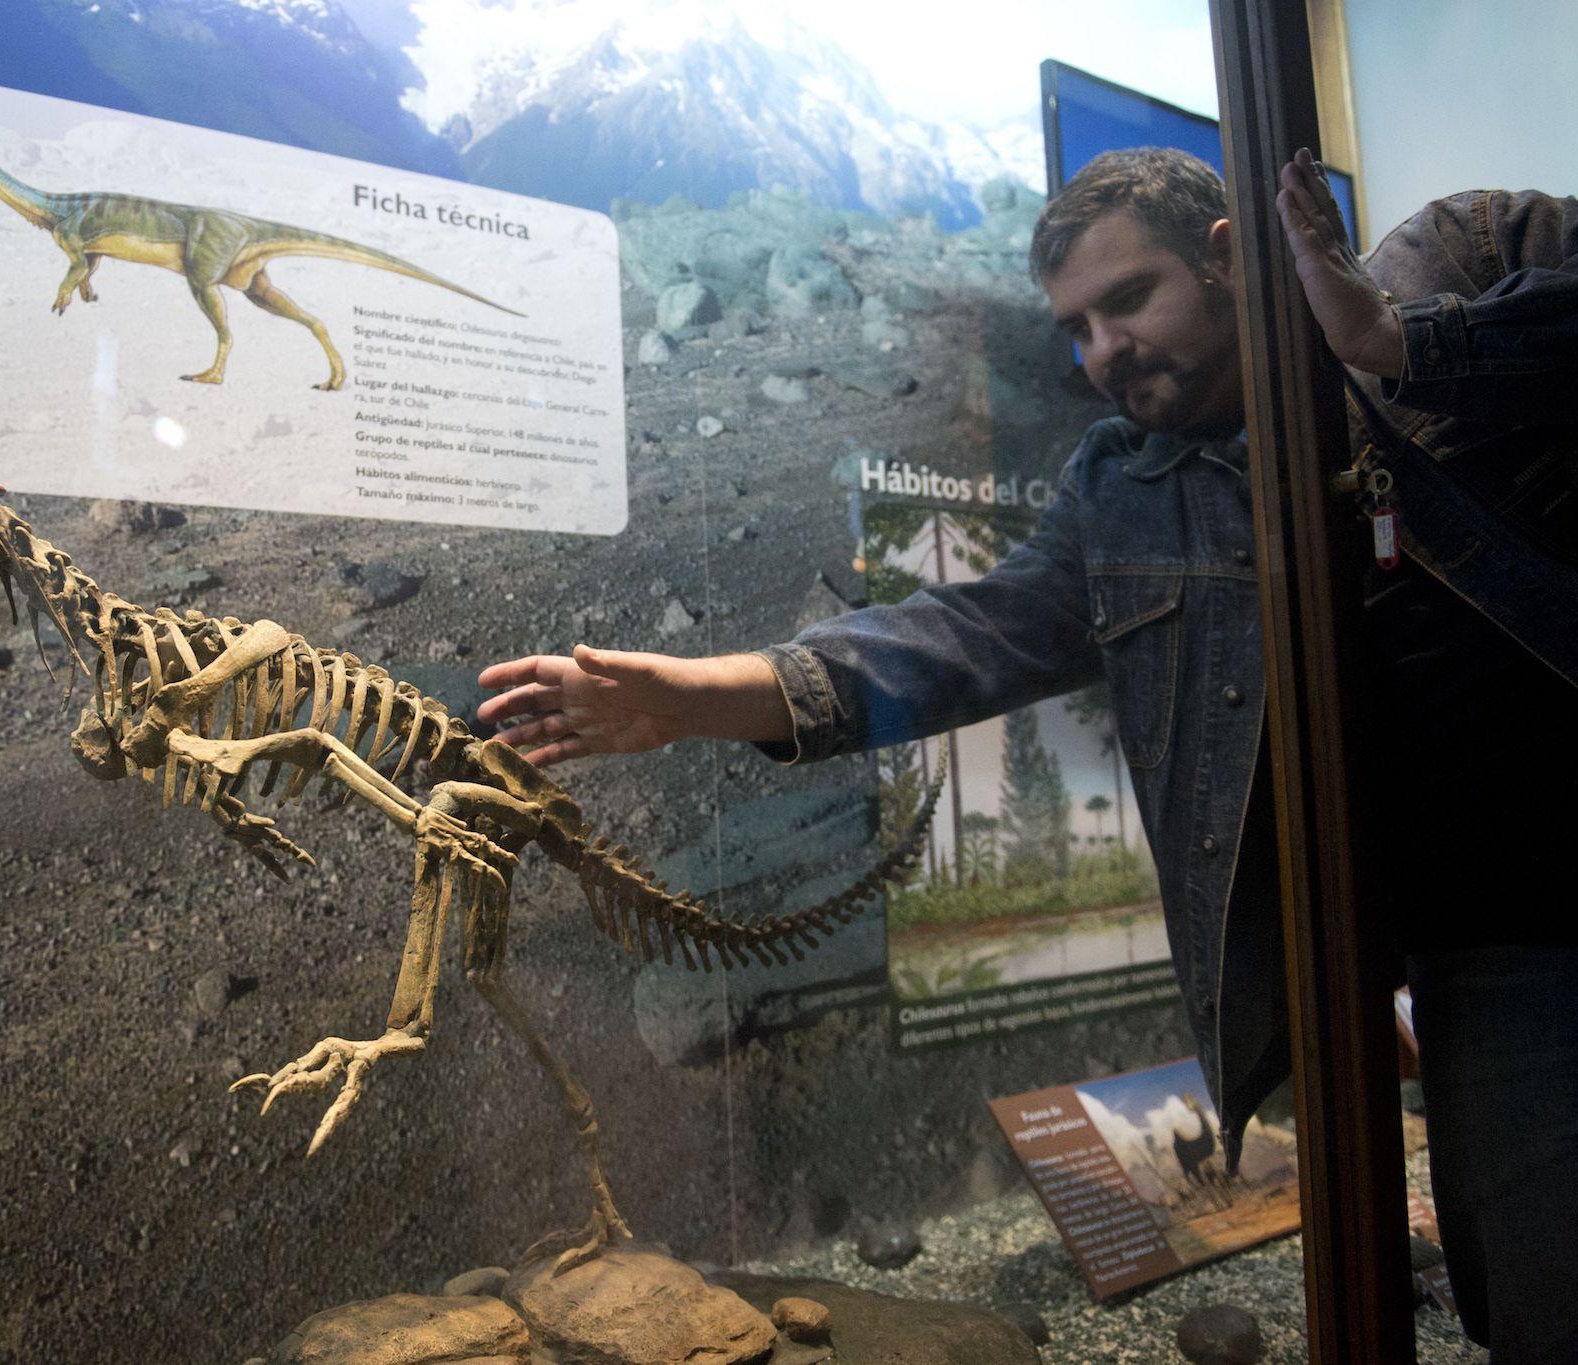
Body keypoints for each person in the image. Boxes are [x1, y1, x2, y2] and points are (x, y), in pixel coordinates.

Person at [478, 147, 1577, 1362]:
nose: (1102, 350)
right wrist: (698, 696)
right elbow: (965, 638)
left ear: (1228, 257)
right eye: (1076, 328)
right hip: (1501, 946)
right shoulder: (1126, 492)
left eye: (1129, 300)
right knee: (1543, 1291)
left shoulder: (1472, 256)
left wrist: (1394, 342)